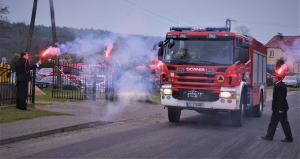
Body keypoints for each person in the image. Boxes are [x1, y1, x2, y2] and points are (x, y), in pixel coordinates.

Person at [261, 59, 293, 142]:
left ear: (277, 78)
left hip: (280, 109)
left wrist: (281, 109)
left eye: (274, 77)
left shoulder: (281, 86)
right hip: (277, 108)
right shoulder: (278, 85)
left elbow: (282, 99)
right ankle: (269, 136)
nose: (272, 78)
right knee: (273, 122)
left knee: (284, 123)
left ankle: (289, 138)